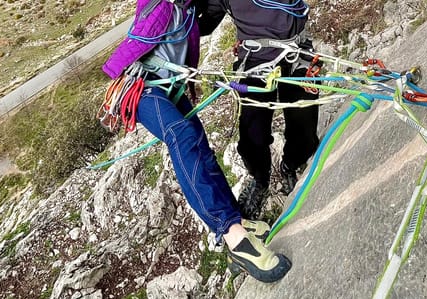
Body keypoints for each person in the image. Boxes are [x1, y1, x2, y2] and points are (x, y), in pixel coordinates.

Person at [101, 0, 291, 282]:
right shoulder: (161, 5)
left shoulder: (189, 9)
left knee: (201, 147)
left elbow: (209, 18)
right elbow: (143, 30)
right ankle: (231, 233)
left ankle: (234, 219)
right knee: (182, 135)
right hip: (141, 88)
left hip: (168, 88)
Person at [199, 0, 320, 220]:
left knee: (304, 123)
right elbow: (205, 23)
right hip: (254, 60)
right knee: (252, 132)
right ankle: (260, 178)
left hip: (295, 53)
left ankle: (292, 164)